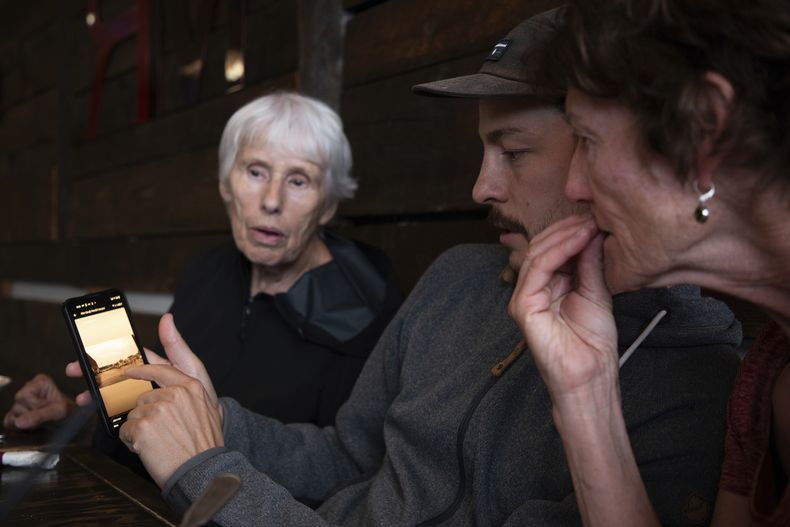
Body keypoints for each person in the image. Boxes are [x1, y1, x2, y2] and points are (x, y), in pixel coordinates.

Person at [74, 10, 741, 525]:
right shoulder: (459, 276)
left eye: (514, 152)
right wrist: (204, 414)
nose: (481, 187)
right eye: (253, 173)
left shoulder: (689, 377)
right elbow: (346, 453)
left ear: (597, 156)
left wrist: (206, 465)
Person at [507, 1, 790, 526]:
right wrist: (586, 393)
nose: (574, 187)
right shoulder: (769, 367)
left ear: (705, 128)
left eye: (587, 140)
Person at [4, 92, 402, 462]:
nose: (271, 200)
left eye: (298, 180)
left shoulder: (365, 309)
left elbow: (346, 470)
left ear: (329, 204)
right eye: (256, 172)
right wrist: (75, 422)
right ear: (225, 184)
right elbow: (165, 426)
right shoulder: (207, 271)